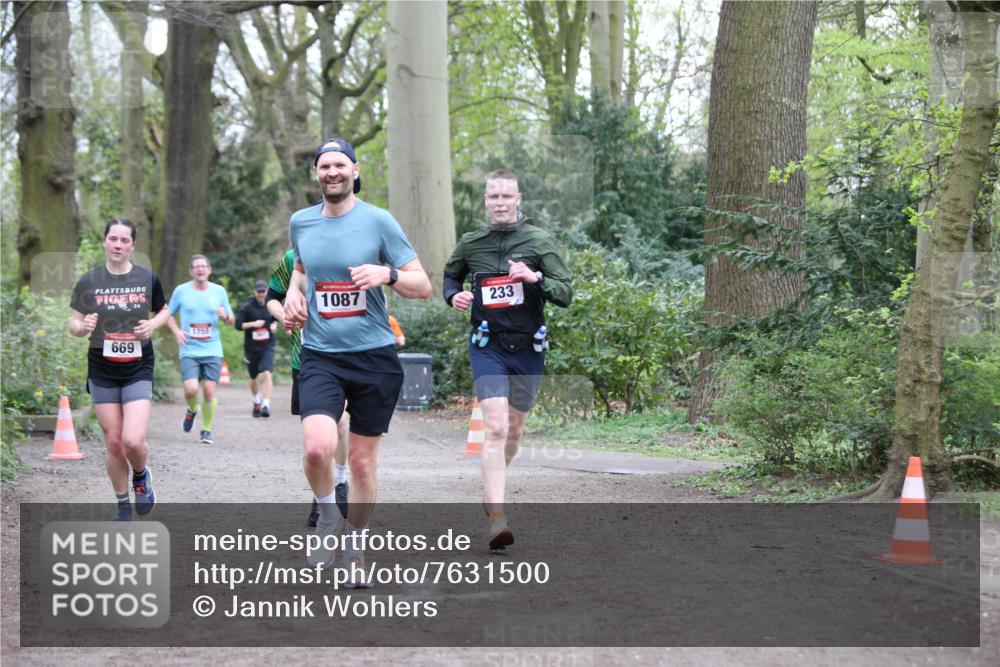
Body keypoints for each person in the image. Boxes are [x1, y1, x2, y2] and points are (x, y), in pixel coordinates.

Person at [284, 137, 431, 583]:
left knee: (363, 463)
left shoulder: (379, 222)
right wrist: (293, 294)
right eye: (324, 166)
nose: (332, 172)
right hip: (321, 355)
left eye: (340, 165)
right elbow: (302, 269)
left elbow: (422, 284)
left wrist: (386, 274)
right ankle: (329, 517)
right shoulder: (300, 223)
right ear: (316, 174)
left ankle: (356, 543)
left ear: (355, 170)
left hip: (373, 357)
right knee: (316, 448)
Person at [442, 169, 572, 550]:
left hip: (529, 347)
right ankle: (497, 517)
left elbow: (565, 293)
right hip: (488, 346)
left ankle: (491, 486)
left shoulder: (538, 241)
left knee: (513, 432)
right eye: (493, 196)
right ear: (486, 200)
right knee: (495, 428)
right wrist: (454, 296)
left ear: (519, 200)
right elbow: (451, 276)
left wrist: (534, 278)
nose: (499, 202)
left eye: (506, 196)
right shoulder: (472, 242)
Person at [69, 217, 170, 520]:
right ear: (105, 241)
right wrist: (81, 326)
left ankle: (140, 475)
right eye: (113, 239)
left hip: (138, 365)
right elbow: (73, 322)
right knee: (113, 442)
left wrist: (153, 324)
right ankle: (122, 502)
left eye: (124, 240)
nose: (118, 245)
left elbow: (164, 311)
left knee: (133, 440)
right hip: (102, 366)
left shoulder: (146, 278)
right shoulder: (89, 281)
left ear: (132, 246)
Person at [265, 249, 350, 527]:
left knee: (340, 422)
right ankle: (323, 493)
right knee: (317, 436)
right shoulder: (293, 258)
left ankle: (339, 481)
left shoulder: (354, 250)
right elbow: (271, 299)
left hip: (348, 354)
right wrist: (284, 315)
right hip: (306, 359)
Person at [166, 255, 234, 445]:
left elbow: (231, 321)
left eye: (204, 266)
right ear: (191, 271)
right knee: (191, 389)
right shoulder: (181, 291)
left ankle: (206, 429)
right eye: (196, 267)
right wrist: (177, 331)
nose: (200, 269)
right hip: (189, 349)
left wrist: (225, 315)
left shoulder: (219, 291)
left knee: (210, 392)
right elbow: (168, 315)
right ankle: (192, 409)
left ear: (209, 270)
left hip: (212, 349)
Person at [235, 280, 278, 418]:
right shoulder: (247, 307)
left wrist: (275, 325)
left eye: (263, 291)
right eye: (259, 292)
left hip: (268, 345)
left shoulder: (271, 305)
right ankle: (257, 400)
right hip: (251, 348)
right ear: (254, 292)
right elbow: (238, 325)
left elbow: (277, 317)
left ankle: (266, 404)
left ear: (266, 292)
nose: (261, 294)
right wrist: (253, 324)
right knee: (253, 377)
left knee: (267, 372)